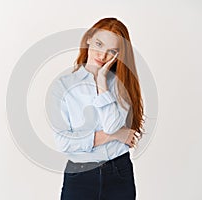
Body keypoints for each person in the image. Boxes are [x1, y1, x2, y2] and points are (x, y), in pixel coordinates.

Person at [47, 17, 144, 200]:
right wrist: (117, 136)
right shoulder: (63, 86)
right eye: (99, 44)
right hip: (80, 176)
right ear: (89, 39)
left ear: (118, 54)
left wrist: (101, 82)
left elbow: (111, 126)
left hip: (119, 173)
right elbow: (63, 142)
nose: (102, 55)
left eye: (111, 51)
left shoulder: (121, 85)